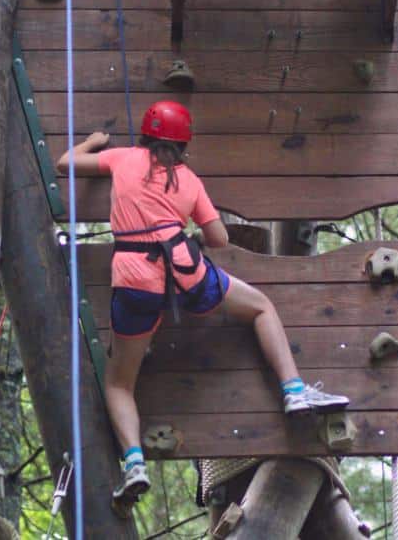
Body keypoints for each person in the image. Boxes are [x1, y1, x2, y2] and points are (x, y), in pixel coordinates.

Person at [56, 101, 349, 508]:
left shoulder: (123, 158)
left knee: (120, 381)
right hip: (185, 271)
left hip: (135, 279)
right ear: (183, 143)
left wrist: (93, 142)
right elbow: (219, 240)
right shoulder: (189, 180)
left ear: (146, 135)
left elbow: (65, 163)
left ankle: (135, 463)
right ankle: (294, 390)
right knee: (261, 306)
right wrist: (185, 217)